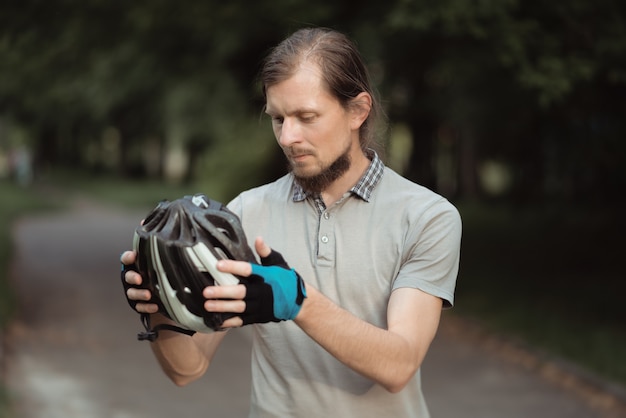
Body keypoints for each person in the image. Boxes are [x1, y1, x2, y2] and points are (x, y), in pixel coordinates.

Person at [120, 27, 462, 417]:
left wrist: (296, 300)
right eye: (278, 118)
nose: (287, 136)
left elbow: (398, 364)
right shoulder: (246, 213)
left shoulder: (427, 216)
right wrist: (159, 304)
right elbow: (188, 368)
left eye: (306, 116)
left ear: (358, 111)